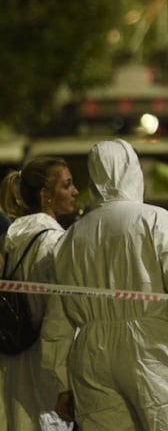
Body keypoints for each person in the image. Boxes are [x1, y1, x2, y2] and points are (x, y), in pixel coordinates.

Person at [48, 138, 168, 431]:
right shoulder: (154, 220)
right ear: (131, 170)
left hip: (91, 355)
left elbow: (58, 318)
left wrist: (63, 381)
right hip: (150, 345)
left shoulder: (70, 239)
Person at [0, 157, 77, 431]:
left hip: (10, 360)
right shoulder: (54, 242)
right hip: (43, 368)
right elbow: (57, 316)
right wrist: (65, 381)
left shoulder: (12, 236)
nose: (75, 191)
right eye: (67, 185)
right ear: (46, 195)